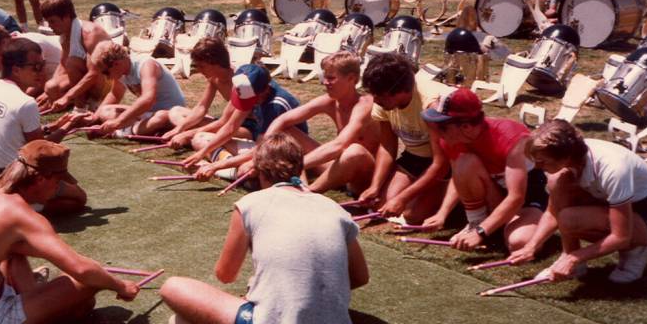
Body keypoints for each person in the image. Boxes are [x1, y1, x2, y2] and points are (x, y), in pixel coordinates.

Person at [159, 132, 369, 324]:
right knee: (187, 322)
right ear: (300, 165)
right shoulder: (334, 208)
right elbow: (360, 277)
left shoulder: (250, 203)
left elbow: (225, 275)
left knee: (172, 289)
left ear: (256, 169)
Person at [0, 139, 139, 324]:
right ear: (42, 178)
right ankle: (51, 309)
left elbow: (3, 244)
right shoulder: (21, 215)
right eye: (59, 182)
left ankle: (34, 295)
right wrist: (122, 286)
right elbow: (82, 269)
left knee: (13, 250)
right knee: (88, 283)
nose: (59, 188)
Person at [514, 119, 647, 284]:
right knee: (558, 188)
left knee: (570, 218)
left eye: (542, 161)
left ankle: (636, 251)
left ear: (565, 156)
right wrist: (531, 246)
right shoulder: (573, 159)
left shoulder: (613, 169)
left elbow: (620, 236)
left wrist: (573, 258)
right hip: (611, 202)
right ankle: (574, 263)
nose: (537, 167)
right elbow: (553, 212)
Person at [420, 87, 547, 253]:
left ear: (465, 126)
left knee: (519, 242)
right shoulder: (452, 139)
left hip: (530, 195)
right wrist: (442, 214)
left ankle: (492, 227)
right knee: (465, 161)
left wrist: (481, 232)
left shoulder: (511, 136)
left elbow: (517, 197)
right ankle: (477, 221)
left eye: (442, 126)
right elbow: (459, 176)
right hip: (498, 193)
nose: (436, 131)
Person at [238, 52, 378, 196]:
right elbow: (282, 120)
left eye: (331, 78)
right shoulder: (330, 101)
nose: (324, 82)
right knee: (286, 130)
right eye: (325, 77)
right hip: (339, 164)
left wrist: (295, 165)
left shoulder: (364, 105)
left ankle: (307, 192)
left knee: (354, 151)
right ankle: (297, 182)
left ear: (351, 79)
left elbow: (339, 145)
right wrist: (260, 157)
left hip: (364, 177)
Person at [0, 38, 86, 214]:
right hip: (11, 177)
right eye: (35, 67)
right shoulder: (26, 103)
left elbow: (14, 131)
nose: (42, 71)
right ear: (16, 70)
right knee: (78, 198)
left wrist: (52, 126)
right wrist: (68, 127)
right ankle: (24, 208)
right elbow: (42, 155)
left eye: (42, 64)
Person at [358, 53, 451, 226]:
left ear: (400, 90)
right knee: (383, 207)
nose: (375, 100)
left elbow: (441, 163)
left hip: (449, 162)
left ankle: (455, 198)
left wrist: (403, 198)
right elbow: (387, 147)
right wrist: (375, 186)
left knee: (411, 215)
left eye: (379, 95)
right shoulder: (384, 103)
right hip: (416, 157)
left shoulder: (431, 106)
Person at [182, 63, 305, 180]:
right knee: (200, 139)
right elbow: (231, 127)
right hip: (262, 145)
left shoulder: (275, 106)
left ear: (265, 90)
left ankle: (231, 171)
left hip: (281, 153)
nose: (250, 104)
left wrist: (215, 166)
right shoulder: (252, 89)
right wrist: (202, 153)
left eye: (253, 100)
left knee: (246, 169)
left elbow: (261, 150)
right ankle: (232, 169)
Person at [87, 41, 186, 137]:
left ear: (116, 64)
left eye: (106, 72)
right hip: (149, 113)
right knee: (105, 111)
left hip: (170, 113)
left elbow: (148, 99)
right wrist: (94, 118)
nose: (107, 78)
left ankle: (123, 131)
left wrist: (118, 121)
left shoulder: (146, 65)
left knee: (161, 117)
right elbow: (115, 94)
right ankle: (141, 129)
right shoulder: (120, 72)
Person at [36, 0, 111, 111]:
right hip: (89, 77)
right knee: (51, 87)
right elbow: (62, 64)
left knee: (72, 63)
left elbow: (95, 72)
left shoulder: (90, 34)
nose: (50, 26)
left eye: (52, 21)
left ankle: (81, 107)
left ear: (66, 17)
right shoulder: (65, 34)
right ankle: (81, 102)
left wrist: (67, 96)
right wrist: (48, 92)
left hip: (107, 80)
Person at [163, 36, 233, 149]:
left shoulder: (238, 80)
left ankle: (191, 138)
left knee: (203, 134)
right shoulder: (214, 79)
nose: (199, 70)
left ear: (215, 62)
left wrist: (186, 133)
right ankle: (190, 136)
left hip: (242, 127)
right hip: (226, 122)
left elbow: (228, 122)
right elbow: (201, 107)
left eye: (202, 66)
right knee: (175, 111)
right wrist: (179, 128)